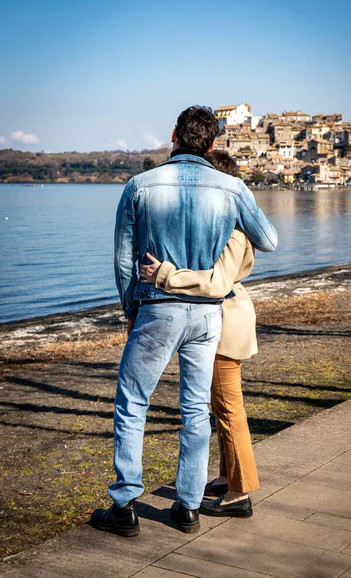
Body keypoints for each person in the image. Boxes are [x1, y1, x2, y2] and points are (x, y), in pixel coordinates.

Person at [90, 106, 277, 536]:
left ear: (174, 135)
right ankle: (188, 507)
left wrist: (131, 308)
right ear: (212, 145)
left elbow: (123, 259)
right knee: (195, 409)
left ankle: (124, 505)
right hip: (208, 315)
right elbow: (268, 239)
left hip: (158, 305)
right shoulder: (231, 187)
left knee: (133, 402)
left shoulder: (140, 185)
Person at [139, 151, 261, 519]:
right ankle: (226, 478)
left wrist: (165, 275)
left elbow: (217, 282)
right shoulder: (226, 225)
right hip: (222, 318)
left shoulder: (235, 232)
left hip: (227, 321)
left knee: (228, 410)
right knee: (221, 407)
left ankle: (240, 493)